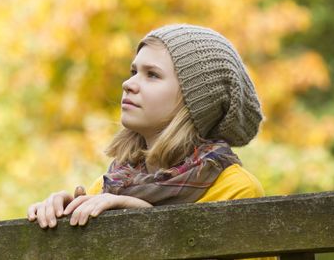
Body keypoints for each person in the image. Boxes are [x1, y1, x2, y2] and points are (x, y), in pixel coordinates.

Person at [27, 23, 264, 229]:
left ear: (197, 101)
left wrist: (144, 216)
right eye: (134, 71)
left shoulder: (236, 191)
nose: (128, 83)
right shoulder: (107, 187)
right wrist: (60, 220)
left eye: (152, 75)